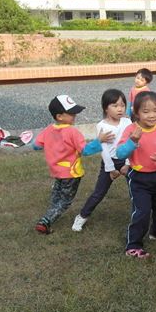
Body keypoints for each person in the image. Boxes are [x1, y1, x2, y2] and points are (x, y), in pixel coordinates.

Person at [32, 95, 112, 234]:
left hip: (56, 171)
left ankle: (50, 212)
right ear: (59, 116)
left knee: (57, 194)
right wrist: (99, 141)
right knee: (65, 201)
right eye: (71, 113)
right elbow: (85, 150)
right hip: (71, 173)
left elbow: (36, 145)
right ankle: (46, 221)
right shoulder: (72, 132)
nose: (75, 115)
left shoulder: (48, 129)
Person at [116, 91, 156, 258]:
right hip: (138, 178)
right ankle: (133, 245)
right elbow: (120, 154)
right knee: (142, 212)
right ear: (136, 113)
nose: (152, 115)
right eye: (146, 111)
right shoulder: (131, 130)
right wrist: (133, 141)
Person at [72, 89, 132, 232]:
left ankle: (139, 217)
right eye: (115, 106)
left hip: (127, 161)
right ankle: (82, 216)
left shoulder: (128, 122)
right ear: (105, 108)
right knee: (99, 193)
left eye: (122, 105)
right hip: (109, 162)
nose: (120, 109)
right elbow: (103, 149)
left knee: (136, 191)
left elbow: (131, 144)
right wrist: (111, 169)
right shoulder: (102, 126)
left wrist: (128, 164)